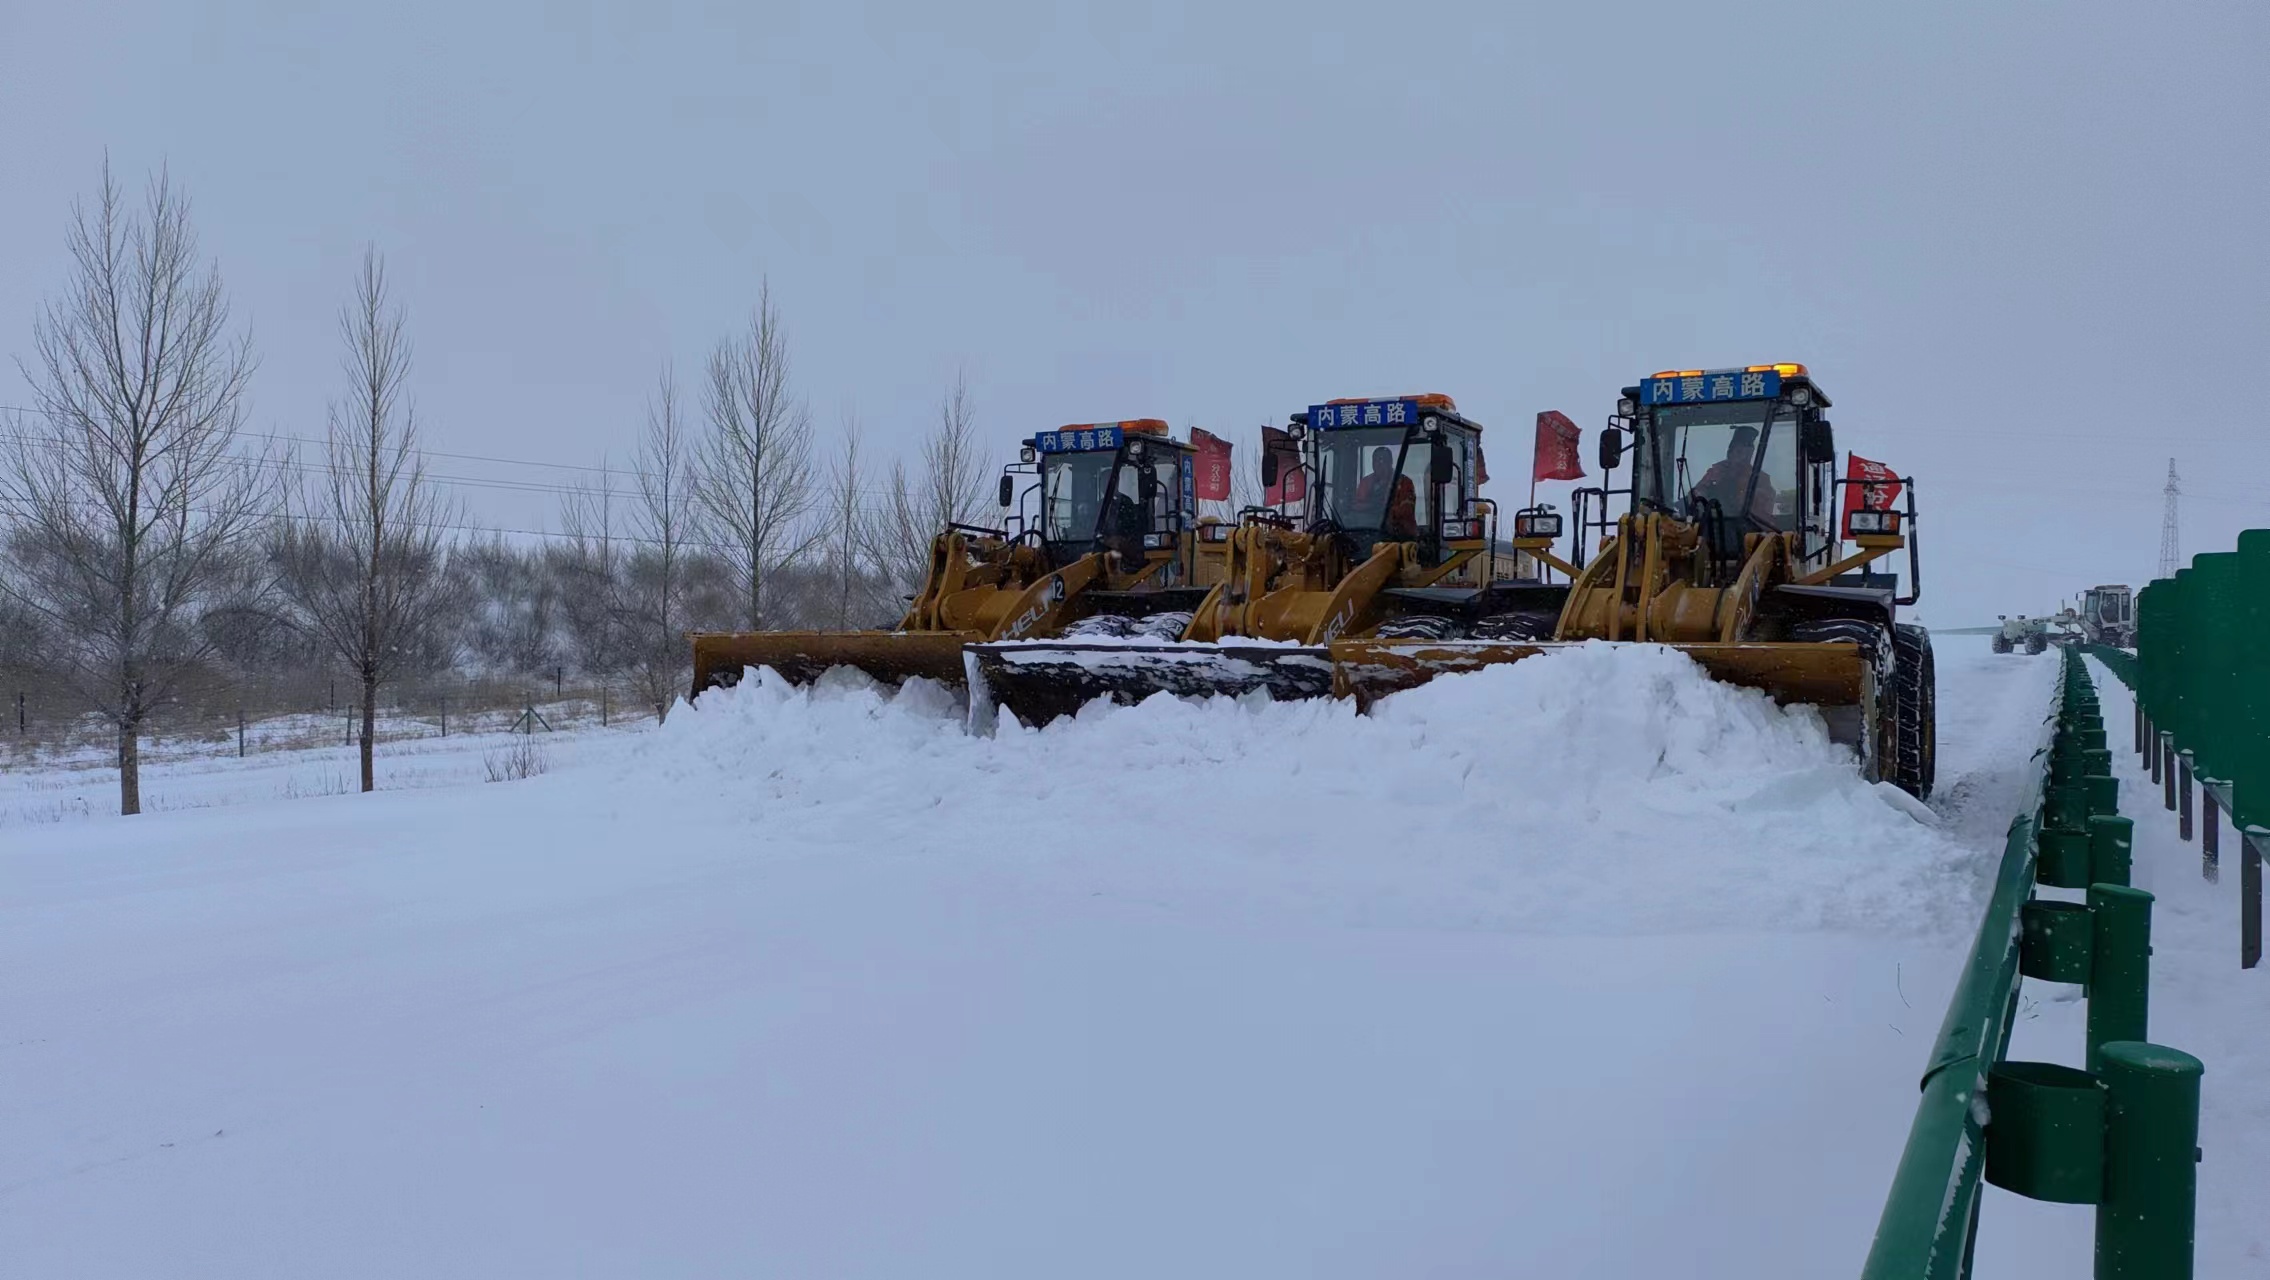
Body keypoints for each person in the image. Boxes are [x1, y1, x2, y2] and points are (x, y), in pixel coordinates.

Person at [1691, 426, 1777, 526]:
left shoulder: (1760, 479)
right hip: (1714, 529)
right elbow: (1696, 496)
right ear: (1730, 452)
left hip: (1749, 532)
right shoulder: (1716, 472)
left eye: (1748, 452)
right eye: (1739, 451)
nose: (1743, 456)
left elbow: (1763, 515)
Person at [1352, 445, 1418, 538]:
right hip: (1369, 533)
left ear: (1390, 462)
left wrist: (1385, 510)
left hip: (1401, 537)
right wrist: (1376, 506)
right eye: (1376, 461)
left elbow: (1406, 511)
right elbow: (1356, 506)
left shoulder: (1404, 482)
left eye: (1383, 461)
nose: (1379, 464)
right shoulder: (1365, 482)